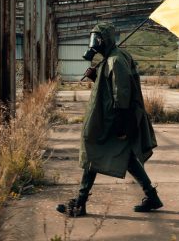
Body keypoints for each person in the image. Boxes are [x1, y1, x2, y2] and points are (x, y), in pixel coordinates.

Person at [57, 22, 162, 217]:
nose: (93, 43)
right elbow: (109, 85)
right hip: (111, 118)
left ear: (104, 39)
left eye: (96, 39)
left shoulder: (116, 60)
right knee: (127, 158)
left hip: (113, 120)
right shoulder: (111, 58)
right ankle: (152, 196)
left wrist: (121, 125)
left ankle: (80, 203)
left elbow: (121, 93)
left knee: (92, 150)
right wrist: (95, 76)